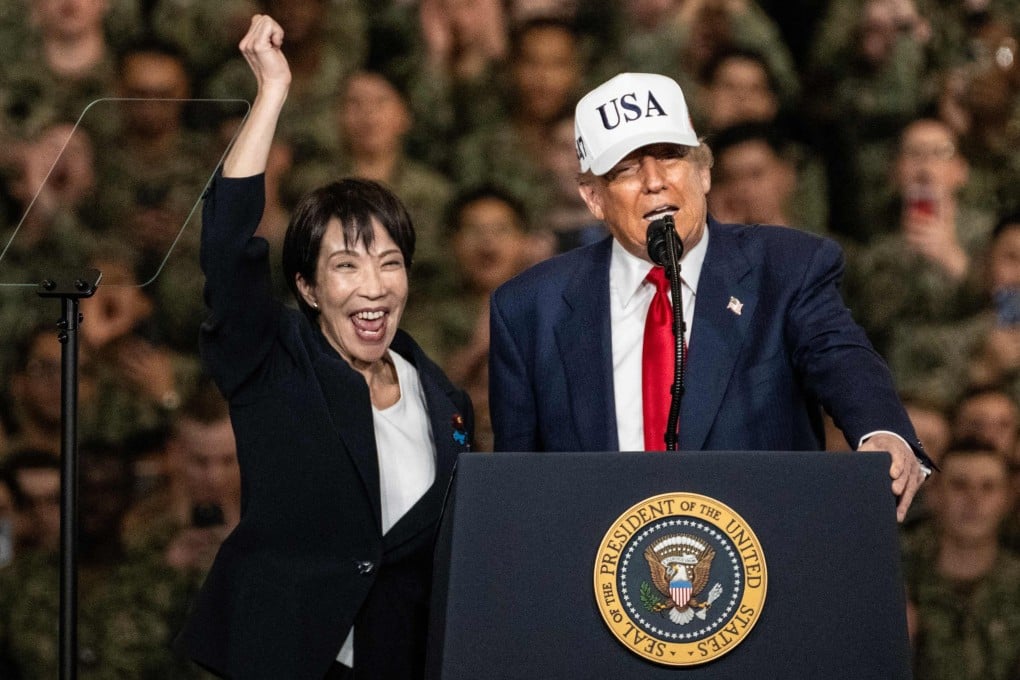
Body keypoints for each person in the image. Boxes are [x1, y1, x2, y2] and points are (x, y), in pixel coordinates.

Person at [488, 71, 931, 521]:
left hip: (763, 565)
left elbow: (840, 356)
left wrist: (883, 431)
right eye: (625, 169)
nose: (654, 181)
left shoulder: (786, 268)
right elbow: (520, 491)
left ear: (703, 171)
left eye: (671, 157)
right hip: (594, 577)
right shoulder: (529, 309)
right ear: (593, 198)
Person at [175, 15, 473, 680]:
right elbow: (226, 248)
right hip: (289, 659)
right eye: (346, 266)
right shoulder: (274, 360)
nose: (373, 287)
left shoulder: (444, 399)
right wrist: (272, 94)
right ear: (308, 288)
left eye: (389, 263)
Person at [901, 439, 1020, 680]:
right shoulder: (898, 580)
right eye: (959, 485)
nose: (973, 499)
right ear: (934, 494)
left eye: (988, 487)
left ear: (1007, 498)